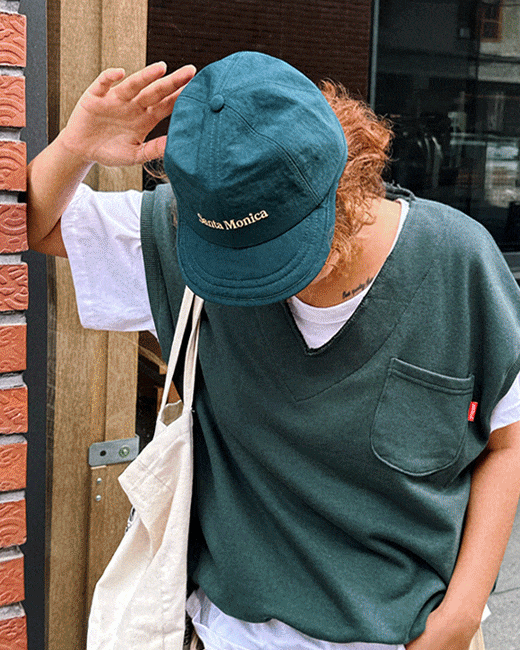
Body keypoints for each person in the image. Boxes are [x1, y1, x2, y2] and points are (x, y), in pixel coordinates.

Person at [27, 51, 520, 650]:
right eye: (232, 262)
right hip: (228, 633)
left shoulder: (457, 264)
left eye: (279, 253)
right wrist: (75, 146)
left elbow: (506, 441)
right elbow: (37, 225)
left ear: (345, 182)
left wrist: (461, 614)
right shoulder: (188, 240)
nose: (253, 283)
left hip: (410, 635)